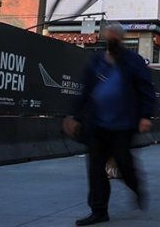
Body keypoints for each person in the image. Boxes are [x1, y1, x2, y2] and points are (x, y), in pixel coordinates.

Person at [63, 21, 155, 226]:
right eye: (108, 36)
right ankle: (98, 210)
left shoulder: (133, 61)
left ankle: (136, 186)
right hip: (97, 125)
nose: (111, 39)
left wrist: (145, 116)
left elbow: (146, 89)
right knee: (96, 168)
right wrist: (74, 116)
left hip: (123, 125)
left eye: (114, 36)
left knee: (124, 163)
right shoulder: (96, 62)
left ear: (121, 39)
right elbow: (84, 91)